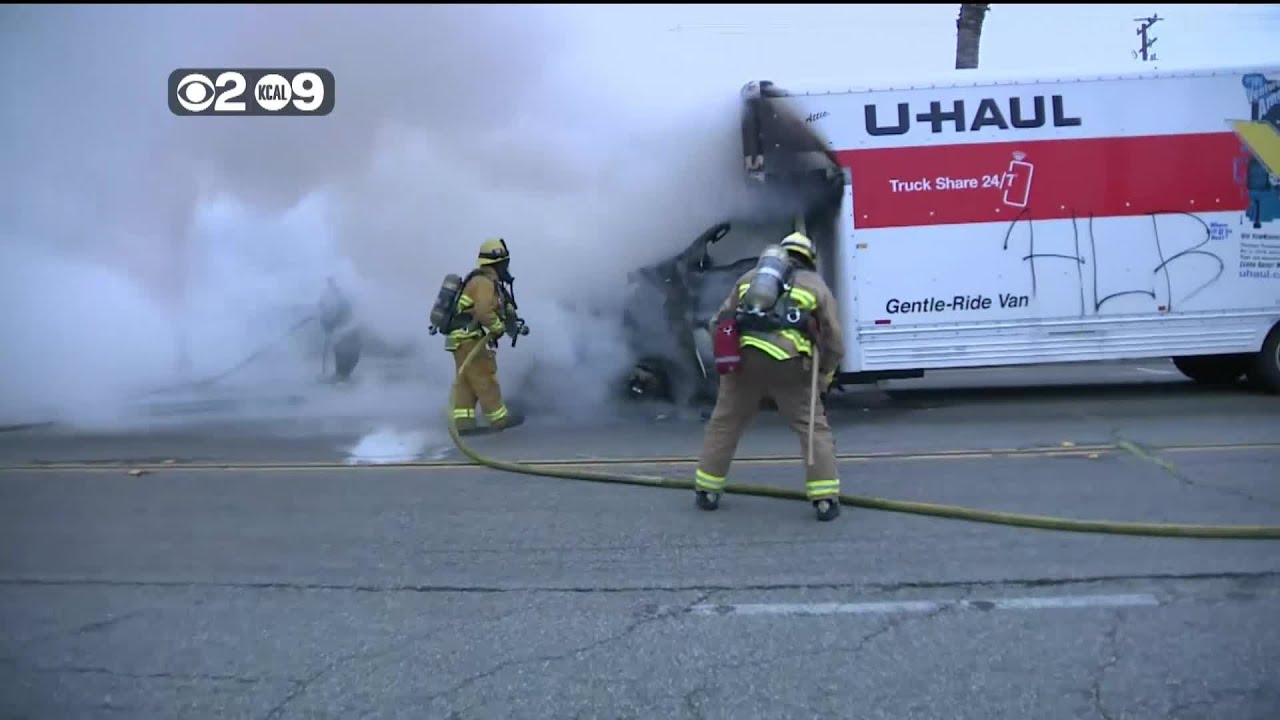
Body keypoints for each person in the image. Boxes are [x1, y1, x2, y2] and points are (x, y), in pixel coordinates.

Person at [692, 231, 846, 521]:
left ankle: (707, 490)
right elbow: (833, 339)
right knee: (811, 427)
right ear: (809, 259)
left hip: (745, 361)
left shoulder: (750, 279)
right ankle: (824, 498)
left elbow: (719, 322)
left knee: (725, 423)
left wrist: (728, 360)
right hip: (789, 364)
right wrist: (825, 370)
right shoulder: (815, 285)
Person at [445, 238, 526, 434]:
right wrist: (497, 328)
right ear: (497, 263)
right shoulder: (483, 283)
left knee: (466, 382)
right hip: (469, 338)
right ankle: (499, 419)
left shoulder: (483, 281)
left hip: (460, 339)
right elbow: (483, 311)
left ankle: (464, 424)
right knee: (484, 378)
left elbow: (494, 308)